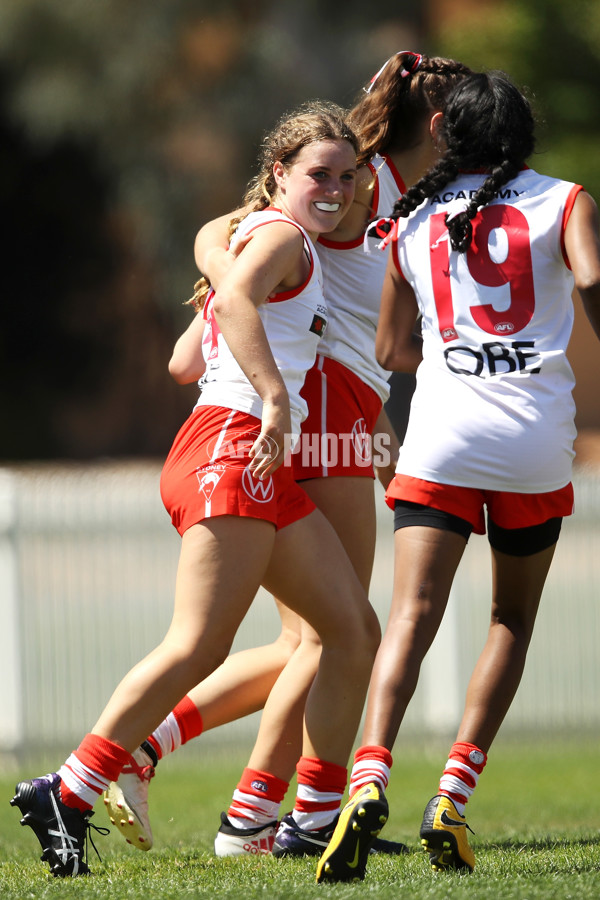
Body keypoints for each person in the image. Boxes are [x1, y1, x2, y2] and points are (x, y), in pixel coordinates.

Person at [102, 51, 473, 860]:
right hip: (321, 405)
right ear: (439, 125)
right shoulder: (354, 183)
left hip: (343, 405)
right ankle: (265, 817)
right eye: (468, 122)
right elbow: (225, 229)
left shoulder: (410, 196)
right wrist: (221, 274)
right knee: (340, 635)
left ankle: (186, 769)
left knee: (310, 640)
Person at [10, 101, 384, 879]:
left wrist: (224, 280)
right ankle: (71, 788)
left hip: (251, 455)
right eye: (320, 173)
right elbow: (239, 306)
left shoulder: (261, 237)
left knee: (350, 632)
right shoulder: (281, 237)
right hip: (234, 444)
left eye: (348, 176)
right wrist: (277, 394)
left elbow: (186, 358)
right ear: (280, 172)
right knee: (200, 643)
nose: (339, 189)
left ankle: (313, 820)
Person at [315, 70, 600, 883]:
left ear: (441, 129)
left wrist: (449, 355)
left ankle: (367, 777)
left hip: (439, 434)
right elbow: (591, 276)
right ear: (523, 134)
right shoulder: (565, 199)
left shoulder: (408, 218)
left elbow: (387, 353)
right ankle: (451, 797)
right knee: (510, 618)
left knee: (411, 613)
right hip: (533, 439)